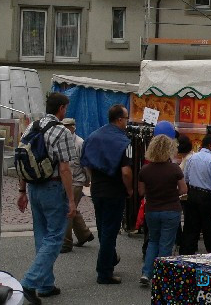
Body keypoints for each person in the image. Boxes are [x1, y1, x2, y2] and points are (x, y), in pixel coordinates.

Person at [17, 92, 76, 304]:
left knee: (41, 235)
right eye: (66, 108)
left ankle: (46, 284)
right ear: (61, 108)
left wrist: (22, 191)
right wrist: (71, 200)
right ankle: (29, 283)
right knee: (55, 237)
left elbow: (23, 158)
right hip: (52, 187)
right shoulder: (61, 131)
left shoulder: (31, 127)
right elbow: (65, 169)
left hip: (33, 187)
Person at [81, 104, 133, 285]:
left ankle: (109, 259)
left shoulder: (93, 136)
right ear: (119, 119)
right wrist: (129, 189)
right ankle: (104, 272)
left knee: (103, 227)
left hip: (97, 188)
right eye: (127, 118)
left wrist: (92, 178)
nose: (128, 122)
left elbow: (86, 162)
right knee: (110, 231)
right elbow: (126, 172)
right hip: (114, 190)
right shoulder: (125, 142)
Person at [138, 135, 187, 286]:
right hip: (171, 209)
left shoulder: (145, 170)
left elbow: (141, 192)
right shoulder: (174, 169)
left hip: (152, 209)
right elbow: (183, 190)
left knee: (153, 240)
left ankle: (147, 273)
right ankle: (162, 275)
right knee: (166, 243)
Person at [182, 134, 211, 254]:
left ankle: (186, 257)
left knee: (190, 229)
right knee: (210, 230)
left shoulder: (191, 158)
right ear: (210, 145)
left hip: (192, 195)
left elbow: (185, 179)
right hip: (208, 197)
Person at [60, 118, 94, 253]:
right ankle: (84, 234)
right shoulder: (62, 141)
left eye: (68, 127)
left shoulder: (80, 142)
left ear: (74, 128)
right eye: (64, 127)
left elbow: (85, 163)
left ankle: (66, 242)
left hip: (76, 180)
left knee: (68, 210)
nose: (66, 129)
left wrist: (87, 180)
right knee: (71, 207)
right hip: (65, 180)